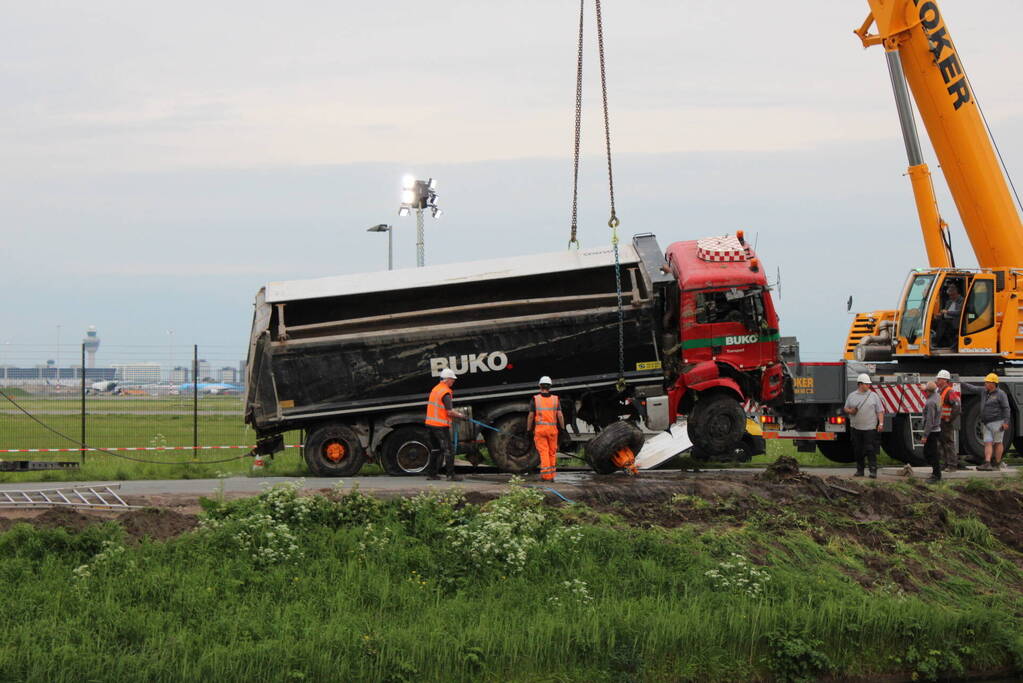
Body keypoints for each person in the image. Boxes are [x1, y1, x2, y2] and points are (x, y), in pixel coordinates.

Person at [962, 373, 1011, 471]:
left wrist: (1006, 422)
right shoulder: (984, 391)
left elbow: (1006, 408)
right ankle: (987, 463)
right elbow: (972, 388)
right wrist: (961, 383)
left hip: (998, 423)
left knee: (998, 442)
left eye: (987, 382)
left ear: (993, 383)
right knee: (987, 442)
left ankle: (997, 463)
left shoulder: (1001, 394)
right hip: (986, 423)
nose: (985, 383)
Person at [424, 368, 466, 481]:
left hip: (430, 424)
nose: (453, 382)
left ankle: (431, 474)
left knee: (436, 449)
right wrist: (462, 416)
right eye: (452, 379)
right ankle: (450, 475)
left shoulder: (436, 389)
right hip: (439, 425)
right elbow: (449, 411)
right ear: (447, 380)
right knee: (449, 450)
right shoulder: (445, 392)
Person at [843, 373, 884, 478]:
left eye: (869, 384)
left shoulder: (874, 396)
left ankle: (873, 470)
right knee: (858, 450)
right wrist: (850, 411)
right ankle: (860, 470)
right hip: (856, 427)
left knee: (870, 449)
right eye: (866, 384)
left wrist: (881, 423)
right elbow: (845, 408)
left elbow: (880, 410)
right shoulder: (852, 396)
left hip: (870, 428)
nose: (868, 386)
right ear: (860, 384)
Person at [527, 376, 566, 482]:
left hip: (540, 431)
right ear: (550, 386)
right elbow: (560, 416)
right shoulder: (555, 399)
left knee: (544, 452)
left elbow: (531, 416)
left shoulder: (535, 399)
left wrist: (528, 429)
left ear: (539, 386)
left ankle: (545, 476)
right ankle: (552, 476)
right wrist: (562, 428)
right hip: (553, 431)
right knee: (552, 452)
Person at [934, 369, 962, 472]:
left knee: (948, 443)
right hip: (941, 421)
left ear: (945, 380)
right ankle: (946, 463)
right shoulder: (940, 391)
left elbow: (957, 406)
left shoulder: (949, 391)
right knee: (942, 443)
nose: (937, 380)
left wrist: (949, 418)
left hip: (945, 422)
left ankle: (952, 465)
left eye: (939, 379)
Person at [920, 381, 943, 483]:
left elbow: (930, 420)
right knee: (929, 452)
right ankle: (936, 470)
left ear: (928, 392)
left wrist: (925, 435)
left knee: (931, 453)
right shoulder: (937, 396)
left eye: (926, 391)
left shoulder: (930, 403)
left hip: (931, 431)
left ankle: (936, 475)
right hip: (937, 429)